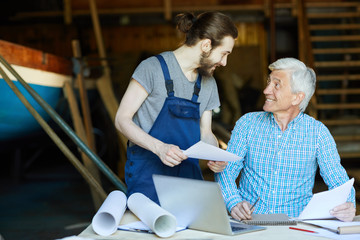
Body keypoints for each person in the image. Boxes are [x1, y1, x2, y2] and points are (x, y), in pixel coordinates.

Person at [115, 11, 238, 203]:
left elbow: (205, 133)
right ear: (206, 45)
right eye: (224, 54)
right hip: (148, 175)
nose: (224, 62)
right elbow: (122, 119)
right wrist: (159, 148)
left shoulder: (208, 83)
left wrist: (215, 155)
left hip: (188, 177)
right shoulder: (152, 68)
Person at [215, 58, 356, 222]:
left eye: (276, 85)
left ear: (297, 98)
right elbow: (226, 170)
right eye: (268, 82)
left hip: (296, 224)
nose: (266, 90)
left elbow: (338, 181)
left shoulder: (318, 133)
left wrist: (347, 204)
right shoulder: (247, 124)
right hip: (249, 222)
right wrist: (233, 202)